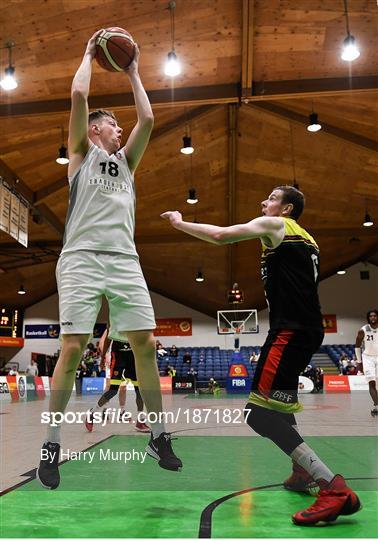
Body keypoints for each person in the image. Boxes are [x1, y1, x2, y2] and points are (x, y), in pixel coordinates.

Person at [161, 185, 361, 525]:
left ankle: (332, 487)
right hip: (307, 328)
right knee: (278, 406)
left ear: (286, 209)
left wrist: (180, 223)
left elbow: (223, 235)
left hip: (289, 330)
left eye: (271, 198)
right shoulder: (307, 238)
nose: (263, 201)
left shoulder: (276, 226)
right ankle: (302, 471)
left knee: (258, 415)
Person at [36, 30, 182, 490]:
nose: (121, 130)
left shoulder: (127, 162)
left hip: (124, 259)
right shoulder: (80, 156)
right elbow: (79, 92)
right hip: (80, 257)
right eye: (113, 126)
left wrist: (135, 69)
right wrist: (87, 53)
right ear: (96, 128)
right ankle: (52, 443)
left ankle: (158, 436)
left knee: (144, 344)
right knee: (73, 348)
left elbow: (150, 118)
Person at [85, 329, 149, 433]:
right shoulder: (114, 320)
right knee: (112, 390)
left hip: (133, 357)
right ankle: (92, 413)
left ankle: (140, 421)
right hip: (118, 358)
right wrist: (103, 358)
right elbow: (105, 340)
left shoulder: (135, 319)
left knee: (139, 390)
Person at [355, 309, 378, 417]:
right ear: (368, 318)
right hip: (368, 358)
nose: (372, 318)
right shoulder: (363, 330)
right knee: (371, 382)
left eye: (374, 316)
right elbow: (357, 346)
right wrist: (359, 362)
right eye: (370, 316)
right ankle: (376, 406)